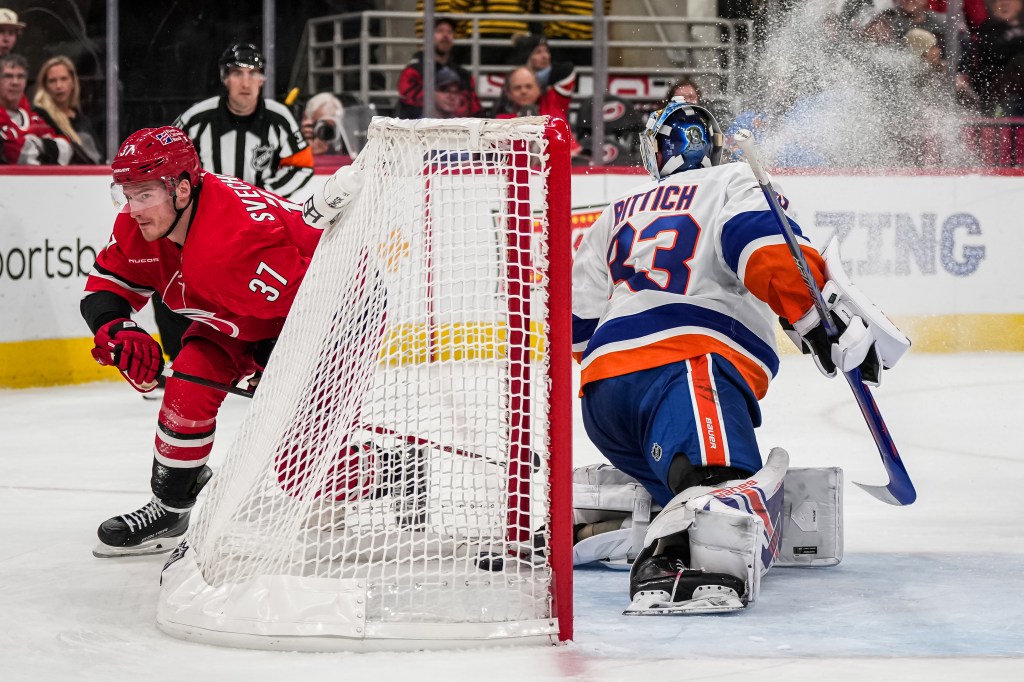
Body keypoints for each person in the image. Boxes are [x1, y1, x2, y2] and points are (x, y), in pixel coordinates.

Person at [570, 98, 908, 611]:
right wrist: (816, 319)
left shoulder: (615, 212)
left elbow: (577, 327)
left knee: (683, 482)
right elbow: (762, 246)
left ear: (659, 151)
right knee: (720, 494)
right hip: (686, 371)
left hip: (604, 396)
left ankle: (621, 512)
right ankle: (675, 562)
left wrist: (626, 368)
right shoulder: (732, 180)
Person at [81, 126, 363, 557]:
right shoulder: (148, 226)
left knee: (300, 470)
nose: (133, 210)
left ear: (180, 189)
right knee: (189, 383)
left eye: (144, 195)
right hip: (235, 318)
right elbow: (104, 290)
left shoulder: (233, 244)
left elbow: (323, 297)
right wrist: (119, 328)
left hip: (339, 306)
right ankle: (170, 509)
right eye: (127, 194)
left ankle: (399, 472)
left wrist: (283, 358)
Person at [174, 43, 313, 200]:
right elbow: (170, 164)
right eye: (237, 73)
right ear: (225, 78)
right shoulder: (195, 118)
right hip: (209, 212)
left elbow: (302, 166)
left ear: (262, 80)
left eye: (253, 73)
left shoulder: (279, 117)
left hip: (259, 213)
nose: (245, 83)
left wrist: (263, 195)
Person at [396, 17, 483, 119]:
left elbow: (475, 108)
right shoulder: (414, 71)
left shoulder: (463, 75)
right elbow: (408, 98)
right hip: (418, 128)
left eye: (449, 32)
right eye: (439, 31)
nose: (445, 35)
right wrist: (437, 99)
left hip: (456, 130)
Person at [0, 54, 71, 165]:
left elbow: (66, 149)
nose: (15, 82)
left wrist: (33, 143)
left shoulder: (36, 117)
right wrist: (46, 149)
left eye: (21, 77)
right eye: (8, 76)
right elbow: (12, 152)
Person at [31, 55, 102, 164]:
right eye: (52, 81)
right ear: (45, 86)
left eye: (64, 79)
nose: (59, 86)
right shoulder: (40, 117)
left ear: (73, 82)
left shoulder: (81, 119)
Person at [301, 91, 345, 157]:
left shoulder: (346, 147)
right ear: (306, 118)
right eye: (322, 123)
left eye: (332, 126)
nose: (326, 131)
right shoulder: (292, 141)